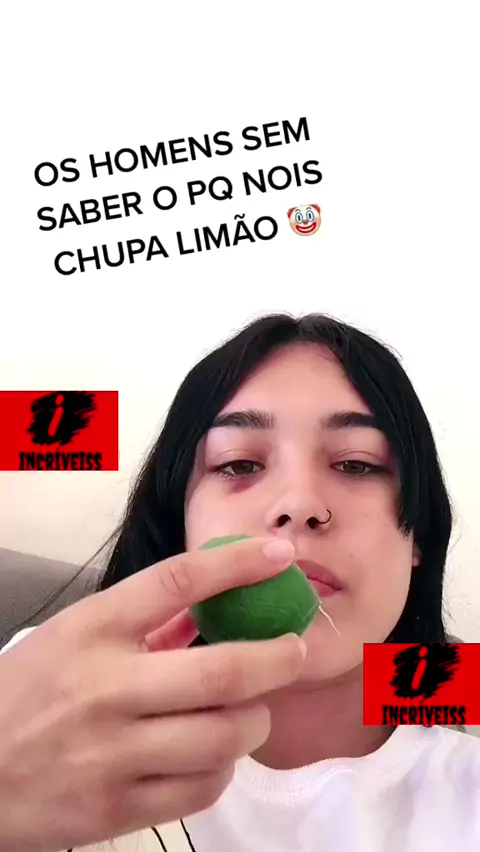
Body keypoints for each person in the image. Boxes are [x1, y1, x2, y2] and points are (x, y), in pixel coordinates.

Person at [1, 312, 480, 852]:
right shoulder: (42, 691)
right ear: (181, 526)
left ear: (418, 537)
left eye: (356, 464)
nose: (299, 503)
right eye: (238, 464)